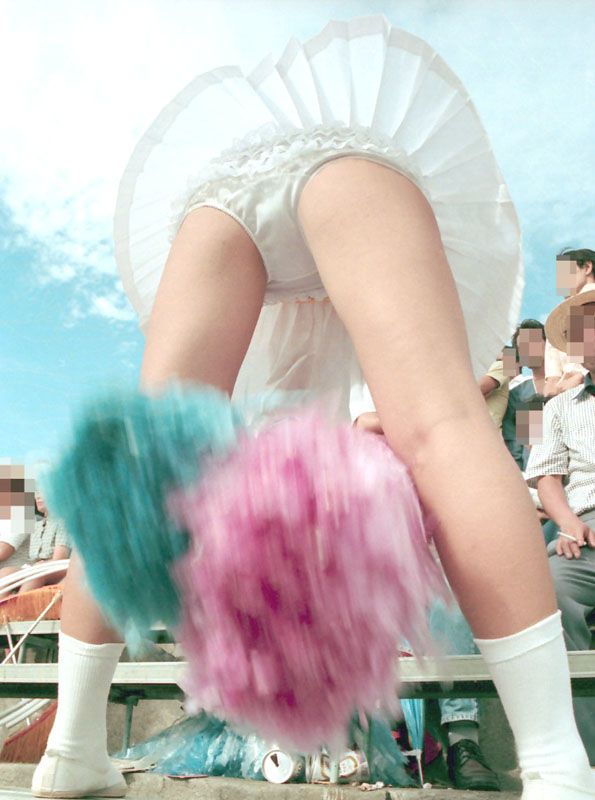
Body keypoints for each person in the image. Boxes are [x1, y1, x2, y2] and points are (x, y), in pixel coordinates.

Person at [32, 17, 594, 799]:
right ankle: (555, 763)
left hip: (222, 191)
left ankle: (70, 748)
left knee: (139, 470)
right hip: (349, 169)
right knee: (442, 427)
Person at [525, 289, 595, 768]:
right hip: (583, 528)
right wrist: (569, 523)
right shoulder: (559, 406)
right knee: (552, 590)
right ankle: (586, 760)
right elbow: (546, 476)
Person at [544, 249, 595, 398]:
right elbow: (552, 379)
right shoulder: (558, 322)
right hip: (568, 400)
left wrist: (580, 377)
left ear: (587, 267)